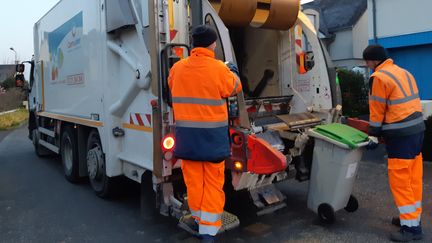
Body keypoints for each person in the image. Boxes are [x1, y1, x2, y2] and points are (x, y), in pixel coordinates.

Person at [168, 25, 242, 242]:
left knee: (194, 183)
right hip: (212, 142)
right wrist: (233, 69)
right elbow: (234, 87)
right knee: (212, 184)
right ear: (212, 44)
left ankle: (199, 219)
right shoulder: (220, 69)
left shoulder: (177, 69)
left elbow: (171, 86)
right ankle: (208, 232)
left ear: (193, 44)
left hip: (187, 141)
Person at [363, 44, 425, 242]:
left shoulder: (378, 77)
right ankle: (413, 219)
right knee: (413, 177)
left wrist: (373, 134)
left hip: (400, 136)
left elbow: (377, 109)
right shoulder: (403, 72)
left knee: (400, 181)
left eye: (367, 61)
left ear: (372, 61)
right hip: (417, 131)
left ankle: (411, 230)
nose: (366, 65)